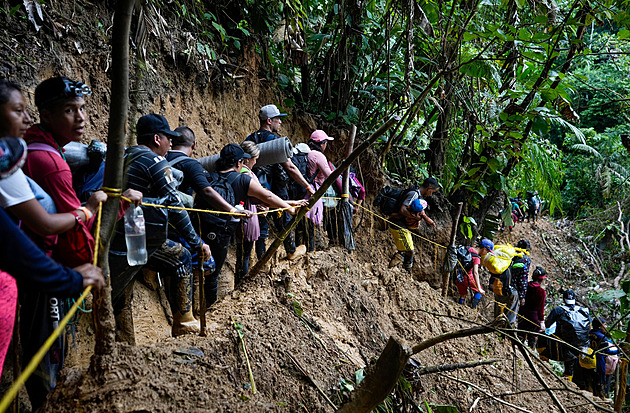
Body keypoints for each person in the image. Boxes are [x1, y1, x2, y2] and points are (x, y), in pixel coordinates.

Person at [109, 113, 211, 341]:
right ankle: (184, 321)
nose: (171, 143)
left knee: (122, 289)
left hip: (115, 233)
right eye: (168, 138)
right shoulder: (154, 161)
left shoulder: (124, 156)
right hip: (138, 234)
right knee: (181, 257)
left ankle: (124, 342)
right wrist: (197, 243)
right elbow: (174, 205)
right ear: (157, 139)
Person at [198, 143, 305, 304]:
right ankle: (209, 310)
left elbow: (260, 200)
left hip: (201, 227)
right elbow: (266, 197)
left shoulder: (210, 176)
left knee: (200, 269)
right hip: (222, 231)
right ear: (239, 162)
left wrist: (290, 203)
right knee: (213, 274)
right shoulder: (243, 179)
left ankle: (196, 310)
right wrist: (288, 209)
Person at [246, 104, 315, 260]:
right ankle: (291, 251)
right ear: (269, 121)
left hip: (254, 184)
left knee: (261, 218)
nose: (280, 122)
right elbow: (290, 167)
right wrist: (307, 186)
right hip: (274, 186)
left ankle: (260, 258)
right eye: (278, 119)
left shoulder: (250, 138)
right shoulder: (276, 142)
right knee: (283, 216)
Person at [387, 177, 439, 273]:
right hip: (398, 224)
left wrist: (427, 219)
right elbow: (403, 210)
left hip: (400, 224)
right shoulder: (414, 194)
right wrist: (415, 218)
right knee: (409, 250)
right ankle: (403, 272)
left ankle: (400, 271)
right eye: (432, 191)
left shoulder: (417, 194)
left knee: (407, 250)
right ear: (429, 188)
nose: (431, 194)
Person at [305, 130, 343, 246]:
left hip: (304, 188)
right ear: (322, 143)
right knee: (311, 221)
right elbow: (330, 175)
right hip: (314, 190)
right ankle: (311, 249)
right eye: (326, 142)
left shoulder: (307, 152)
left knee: (304, 221)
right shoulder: (319, 155)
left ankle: (303, 245)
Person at [544, 289, 591, 379]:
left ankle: (544, 365)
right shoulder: (584, 310)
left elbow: (547, 325)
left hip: (563, 343)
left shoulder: (558, 310)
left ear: (563, 299)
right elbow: (589, 328)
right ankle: (568, 379)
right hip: (582, 345)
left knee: (543, 339)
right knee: (570, 363)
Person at [477, 238, 519, 324]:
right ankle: (505, 326)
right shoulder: (501, 261)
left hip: (498, 287)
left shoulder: (497, 262)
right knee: (508, 310)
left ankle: (498, 324)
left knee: (499, 306)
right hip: (505, 289)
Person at [589, 317, 619, 399]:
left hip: (589, 358)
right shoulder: (602, 337)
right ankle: (601, 395)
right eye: (605, 324)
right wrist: (618, 351)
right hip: (599, 360)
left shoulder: (589, 333)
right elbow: (607, 352)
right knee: (601, 379)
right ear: (600, 326)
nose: (606, 326)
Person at [518, 266, 547, 348]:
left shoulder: (525, 286)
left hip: (522, 314)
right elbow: (540, 308)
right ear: (541, 280)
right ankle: (531, 352)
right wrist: (542, 321)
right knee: (533, 337)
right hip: (533, 317)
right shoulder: (541, 292)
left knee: (520, 334)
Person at [512, 239, 531, 307]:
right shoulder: (525, 260)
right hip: (513, 289)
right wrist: (522, 296)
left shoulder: (510, 254)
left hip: (501, 286)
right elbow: (523, 279)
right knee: (510, 315)